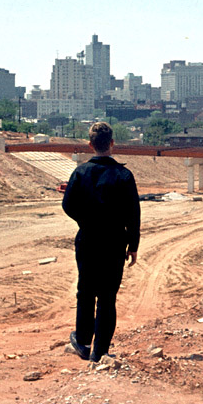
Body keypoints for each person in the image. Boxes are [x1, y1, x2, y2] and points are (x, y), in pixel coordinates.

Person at [62, 121, 140, 363]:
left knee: (85, 292)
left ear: (90, 145)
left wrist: (85, 221)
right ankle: (101, 351)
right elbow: (133, 214)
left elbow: (68, 205)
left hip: (87, 241)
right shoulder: (124, 175)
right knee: (107, 297)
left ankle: (83, 344)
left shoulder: (80, 173)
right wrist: (133, 246)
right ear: (112, 144)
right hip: (115, 244)